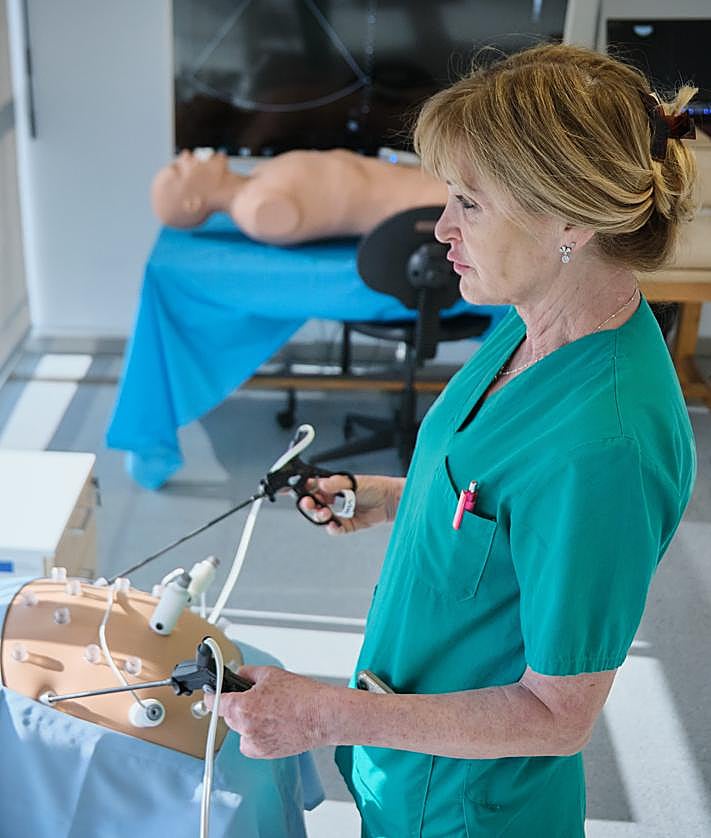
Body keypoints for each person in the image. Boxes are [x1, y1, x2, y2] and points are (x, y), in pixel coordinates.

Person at [204, 44, 698, 836]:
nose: (439, 229)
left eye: (469, 203)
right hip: (410, 765)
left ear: (568, 218)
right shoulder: (532, 325)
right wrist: (391, 498)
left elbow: (556, 714)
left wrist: (327, 716)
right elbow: (504, 504)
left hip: (468, 809)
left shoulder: (605, 447)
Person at [150, 147, 447, 244]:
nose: (186, 154)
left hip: (427, 179)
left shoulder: (257, 182)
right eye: (179, 169)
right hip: (427, 201)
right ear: (192, 203)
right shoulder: (260, 210)